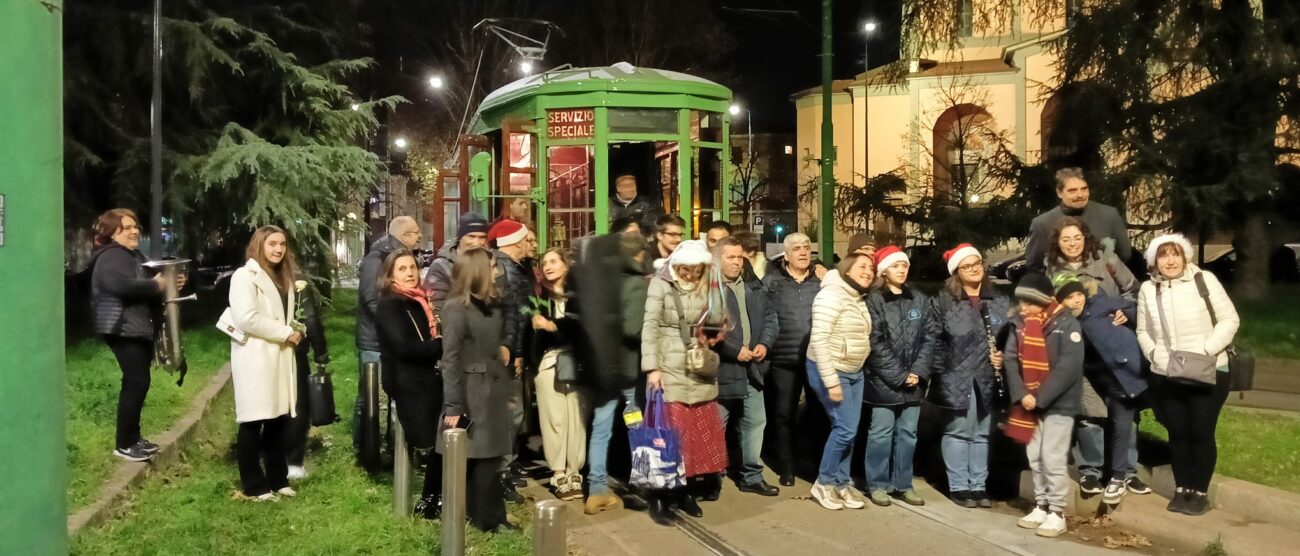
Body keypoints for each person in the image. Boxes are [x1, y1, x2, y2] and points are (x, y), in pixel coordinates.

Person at [1135, 234, 1240, 516]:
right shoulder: (1148, 289)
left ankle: (1200, 492)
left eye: (1176, 254)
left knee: (1201, 432)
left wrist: (1207, 349)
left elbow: (1230, 319)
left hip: (1209, 369)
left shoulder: (1203, 280)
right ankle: (1182, 489)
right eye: (1163, 255)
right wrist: (1156, 355)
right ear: (1154, 260)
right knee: (1178, 433)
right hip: (1168, 372)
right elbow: (1143, 331)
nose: (1170, 260)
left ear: (1185, 256)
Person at [1045, 217, 1146, 497]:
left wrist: (1127, 313)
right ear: (1058, 244)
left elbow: (1135, 292)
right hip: (1081, 352)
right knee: (1090, 413)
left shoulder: (1107, 261)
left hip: (1112, 349)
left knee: (1125, 412)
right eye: (1066, 239)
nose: (1072, 244)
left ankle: (1127, 470)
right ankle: (1090, 470)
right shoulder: (1051, 269)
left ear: (1085, 238)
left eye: (1076, 238)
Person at [642, 240, 728, 524]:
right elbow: (650, 326)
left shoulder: (708, 285)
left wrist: (716, 325)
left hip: (697, 365)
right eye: (685, 269)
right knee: (670, 434)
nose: (690, 275)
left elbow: (718, 322)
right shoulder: (661, 284)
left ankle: (687, 491)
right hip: (669, 365)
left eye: (696, 269)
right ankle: (662, 495)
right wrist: (652, 368)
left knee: (696, 434)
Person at [438, 248, 517, 532]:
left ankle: (487, 516)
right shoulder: (456, 308)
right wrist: (454, 406)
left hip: (492, 388)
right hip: (473, 393)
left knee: (490, 458)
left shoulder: (492, 304)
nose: (497, 272)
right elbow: (451, 359)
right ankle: (487, 519)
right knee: (482, 459)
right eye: (493, 267)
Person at [1003, 273, 1085, 539]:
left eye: (1029, 301)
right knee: (1035, 456)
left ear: (1044, 299)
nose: (1024, 307)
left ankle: (1057, 511)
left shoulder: (1067, 324)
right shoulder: (1020, 324)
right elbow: (1011, 360)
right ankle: (1041, 504)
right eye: (1021, 301)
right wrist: (1022, 393)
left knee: (1053, 457)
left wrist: (1041, 397)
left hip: (1058, 403)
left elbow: (1068, 368)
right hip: (1030, 403)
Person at [930, 243, 1011, 509]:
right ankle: (958, 486)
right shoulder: (944, 301)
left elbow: (1011, 339)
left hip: (987, 376)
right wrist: (944, 371)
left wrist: (1003, 356)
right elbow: (934, 341)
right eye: (967, 266)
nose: (975, 269)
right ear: (957, 272)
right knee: (958, 431)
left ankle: (978, 486)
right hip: (955, 376)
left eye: (977, 263)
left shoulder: (999, 300)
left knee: (982, 433)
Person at [88, 208, 169, 462]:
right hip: (121, 327)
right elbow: (120, 285)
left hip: (134, 328)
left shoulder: (130, 255)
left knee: (138, 381)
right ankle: (124, 444)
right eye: (126, 228)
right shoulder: (112, 255)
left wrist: (165, 283)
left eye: (135, 227)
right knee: (136, 382)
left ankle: (133, 439)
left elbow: (147, 282)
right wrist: (156, 284)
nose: (134, 231)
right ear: (112, 233)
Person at [576, 231, 647, 515]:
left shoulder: (599, 281)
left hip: (603, 369)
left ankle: (596, 489)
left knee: (601, 429)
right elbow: (633, 329)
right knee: (636, 426)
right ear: (638, 254)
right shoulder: (634, 283)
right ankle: (642, 484)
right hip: (629, 371)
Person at [228, 225, 301, 501]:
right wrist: (284, 332)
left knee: (277, 419)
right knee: (252, 420)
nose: (278, 249)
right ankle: (253, 484)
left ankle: (277, 478)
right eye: (272, 244)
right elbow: (246, 317)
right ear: (259, 245)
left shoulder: (284, 276)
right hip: (257, 356)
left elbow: (285, 314)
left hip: (279, 355)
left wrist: (296, 328)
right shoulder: (244, 277)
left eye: (282, 244)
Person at [863, 247, 937, 507]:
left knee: (908, 434)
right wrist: (900, 375)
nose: (902, 270)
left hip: (914, 382)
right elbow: (875, 342)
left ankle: (903, 484)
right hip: (884, 382)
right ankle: (878, 484)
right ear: (884, 270)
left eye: (904, 265)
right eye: (896, 266)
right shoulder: (874, 300)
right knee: (881, 433)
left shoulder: (918, 298)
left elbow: (930, 337)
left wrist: (917, 372)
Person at [375, 249, 445, 519]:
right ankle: (429, 500)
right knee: (433, 441)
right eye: (402, 269)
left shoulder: (418, 300)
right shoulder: (390, 304)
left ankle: (433, 498)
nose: (409, 273)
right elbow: (403, 347)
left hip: (426, 378)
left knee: (441, 440)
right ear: (390, 275)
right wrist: (439, 346)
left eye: (412, 267)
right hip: (409, 382)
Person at [805, 252, 874, 511]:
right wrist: (831, 381)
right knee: (844, 428)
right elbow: (819, 340)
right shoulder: (830, 295)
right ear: (846, 270)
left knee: (850, 430)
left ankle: (841, 482)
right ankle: (823, 483)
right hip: (831, 369)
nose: (868, 271)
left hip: (854, 370)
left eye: (871, 267)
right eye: (862, 266)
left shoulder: (856, 296)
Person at [712, 237, 780, 497]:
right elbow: (704, 327)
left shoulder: (753, 285)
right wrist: (732, 350)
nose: (738, 262)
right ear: (717, 259)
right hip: (723, 369)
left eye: (740, 257)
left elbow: (771, 317)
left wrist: (765, 343)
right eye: (731, 257)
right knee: (719, 424)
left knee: (755, 422)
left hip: (753, 366)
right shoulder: (709, 288)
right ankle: (713, 476)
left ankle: (752, 475)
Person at [760, 232, 822, 486]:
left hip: (815, 358)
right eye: (797, 248)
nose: (803, 252)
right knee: (783, 415)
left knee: (817, 414)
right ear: (786, 255)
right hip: (783, 360)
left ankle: (814, 465)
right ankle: (786, 466)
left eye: (806, 247)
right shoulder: (772, 282)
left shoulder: (821, 281)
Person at [355, 216, 421, 451]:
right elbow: (371, 299)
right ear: (404, 237)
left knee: (390, 396)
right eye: (415, 233)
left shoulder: (398, 256)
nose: (419, 237)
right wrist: (392, 325)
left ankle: (389, 446)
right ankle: (365, 447)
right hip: (374, 340)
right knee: (370, 396)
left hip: (390, 340)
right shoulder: (377, 258)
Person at [531, 248, 588, 500]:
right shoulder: (540, 298)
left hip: (577, 364)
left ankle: (575, 471)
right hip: (548, 363)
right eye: (544, 263)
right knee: (555, 420)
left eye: (554, 261)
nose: (548, 266)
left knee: (576, 419)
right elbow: (534, 330)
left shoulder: (581, 296)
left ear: (566, 265)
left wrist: (553, 325)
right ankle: (558, 473)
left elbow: (582, 330)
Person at [487, 218, 534, 501]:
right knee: (510, 412)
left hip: (512, 351)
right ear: (516, 242)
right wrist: (516, 352)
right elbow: (514, 317)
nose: (531, 244)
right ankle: (502, 472)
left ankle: (507, 465)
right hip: (509, 354)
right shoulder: (508, 270)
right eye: (527, 239)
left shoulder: (512, 268)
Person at [1025, 167, 1132, 274]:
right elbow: (1034, 265)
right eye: (1072, 191)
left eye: (1084, 189)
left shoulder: (1109, 215)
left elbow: (1125, 255)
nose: (1080, 195)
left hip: (1104, 285)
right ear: (1059, 192)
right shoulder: (1043, 224)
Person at [284, 273, 329, 480]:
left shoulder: (257, 278)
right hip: (295, 351)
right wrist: (320, 351)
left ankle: (271, 457)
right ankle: (293, 462)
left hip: (266, 353)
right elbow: (310, 318)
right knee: (299, 406)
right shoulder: (297, 282)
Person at [424, 212, 490, 312]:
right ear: (460, 238)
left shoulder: (492, 263)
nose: (476, 243)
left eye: (482, 237)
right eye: (471, 236)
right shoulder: (441, 267)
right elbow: (436, 307)